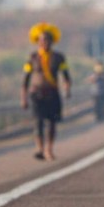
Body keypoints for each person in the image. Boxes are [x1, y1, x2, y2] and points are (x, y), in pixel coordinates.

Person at [21, 22, 71, 161]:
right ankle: (40, 148)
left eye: (47, 40)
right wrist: (24, 98)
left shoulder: (59, 58)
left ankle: (49, 149)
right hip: (36, 95)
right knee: (38, 122)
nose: (45, 42)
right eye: (42, 40)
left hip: (52, 94)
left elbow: (66, 76)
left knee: (52, 123)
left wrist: (67, 89)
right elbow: (25, 80)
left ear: (52, 41)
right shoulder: (32, 58)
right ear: (38, 41)